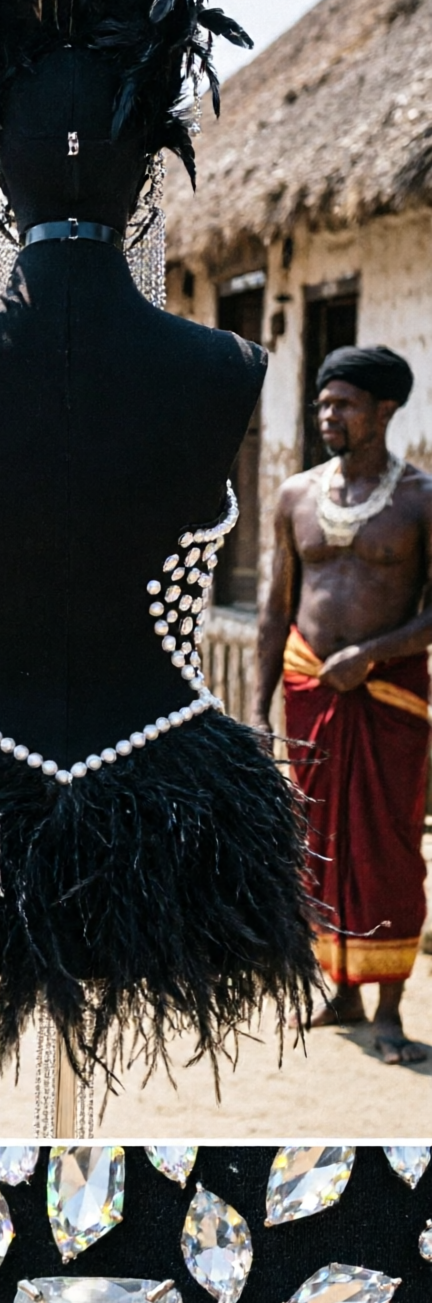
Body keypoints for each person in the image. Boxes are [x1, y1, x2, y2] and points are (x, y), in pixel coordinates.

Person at [257, 344, 432, 1062]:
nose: (327, 414)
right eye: (323, 402)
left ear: (384, 411)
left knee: (387, 846)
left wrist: (372, 655)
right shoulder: (297, 495)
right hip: (309, 691)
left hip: (388, 696)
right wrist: (257, 704)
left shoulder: (421, 499)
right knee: (320, 844)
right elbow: (275, 607)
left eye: (345, 404)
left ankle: (389, 1007)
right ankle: (343, 988)